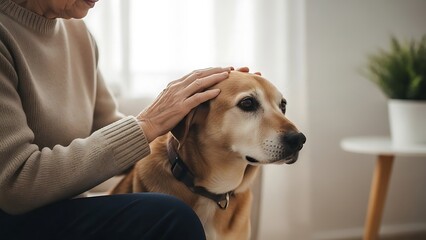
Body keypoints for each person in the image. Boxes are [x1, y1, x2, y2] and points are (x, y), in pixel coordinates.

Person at [0, 0, 253, 239]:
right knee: (168, 216)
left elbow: (107, 129)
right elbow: (16, 184)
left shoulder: (76, 32)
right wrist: (148, 123)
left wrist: (202, 136)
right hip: (13, 219)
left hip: (60, 211)